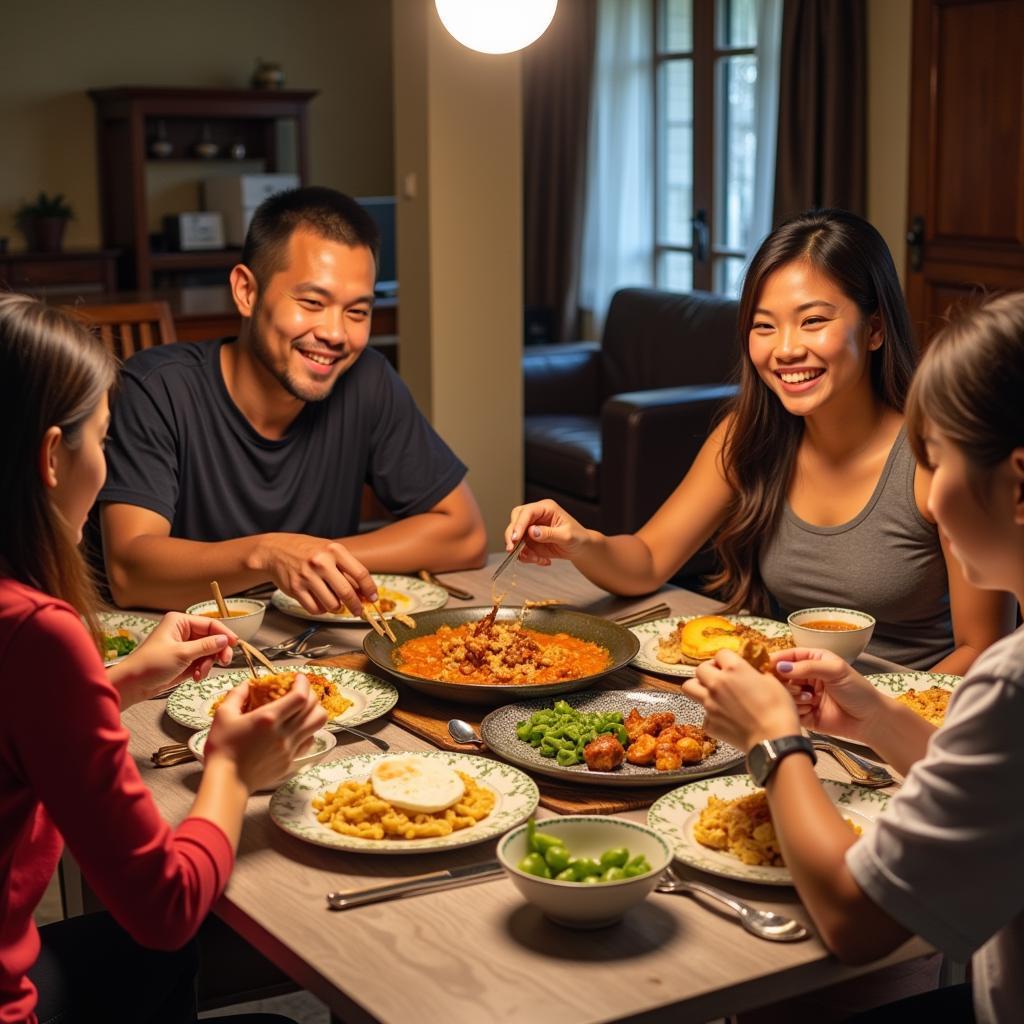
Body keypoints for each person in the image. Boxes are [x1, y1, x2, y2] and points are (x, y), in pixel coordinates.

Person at [682, 291, 1024, 1023]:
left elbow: (856, 922)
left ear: (1017, 481)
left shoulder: (1010, 678)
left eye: (935, 459)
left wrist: (777, 740)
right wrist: (880, 718)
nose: (923, 495)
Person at [0, 294, 326, 1022]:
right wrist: (233, 770)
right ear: (53, 455)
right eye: (103, 441)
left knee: (151, 964)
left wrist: (115, 685)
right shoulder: (38, 631)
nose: (108, 465)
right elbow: (167, 905)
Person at [505, 209, 1014, 671]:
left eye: (813, 321)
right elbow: (647, 561)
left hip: (911, 729)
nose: (786, 349)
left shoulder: (935, 459)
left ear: (875, 328)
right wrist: (580, 542)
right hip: (792, 706)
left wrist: (873, 717)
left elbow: (982, 648)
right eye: (763, 326)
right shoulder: (748, 438)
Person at [94, 186, 487, 614]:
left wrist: (311, 557)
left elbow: (464, 535)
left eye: (357, 312)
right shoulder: (158, 387)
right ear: (246, 291)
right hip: (168, 657)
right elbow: (131, 573)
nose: (336, 334)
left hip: (313, 652)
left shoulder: (366, 379)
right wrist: (268, 555)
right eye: (312, 302)